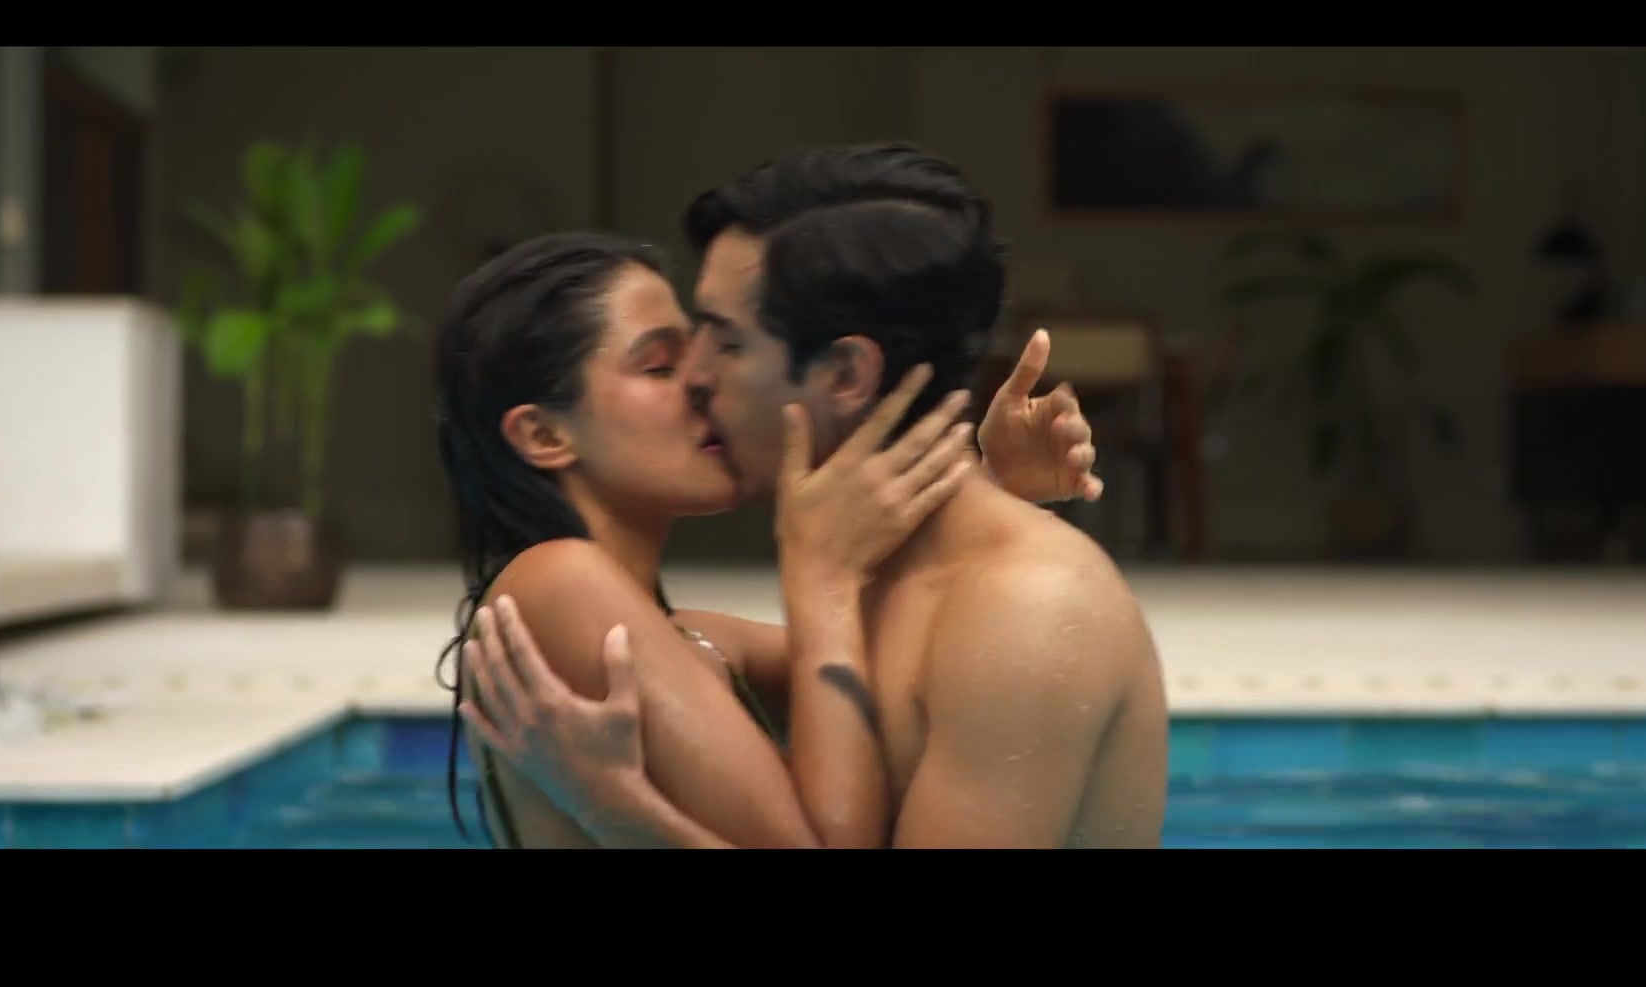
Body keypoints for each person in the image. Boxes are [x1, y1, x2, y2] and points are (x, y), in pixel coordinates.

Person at [460, 142, 1169, 848]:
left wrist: (621, 813)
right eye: (665, 360)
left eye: (726, 343)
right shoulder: (879, 589)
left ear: (844, 375)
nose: (697, 377)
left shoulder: (1027, 605)